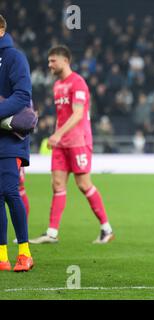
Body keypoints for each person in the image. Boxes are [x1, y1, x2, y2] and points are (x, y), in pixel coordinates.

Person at [30, 45, 114, 244]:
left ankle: (106, 229)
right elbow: (63, 115)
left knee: (84, 185)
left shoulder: (78, 83)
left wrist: (57, 135)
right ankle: (51, 233)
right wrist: (55, 135)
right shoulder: (57, 85)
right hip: (61, 143)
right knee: (57, 184)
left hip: (78, 141)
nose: (49, 65)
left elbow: (77, 114)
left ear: (65, 60)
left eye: (52, 61)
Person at [0, 15, 34, 272]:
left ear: (1, 28)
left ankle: (24, 252)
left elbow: (23, 95)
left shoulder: (15, 57)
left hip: (11, 138)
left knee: (11, 192)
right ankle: (2, 256)